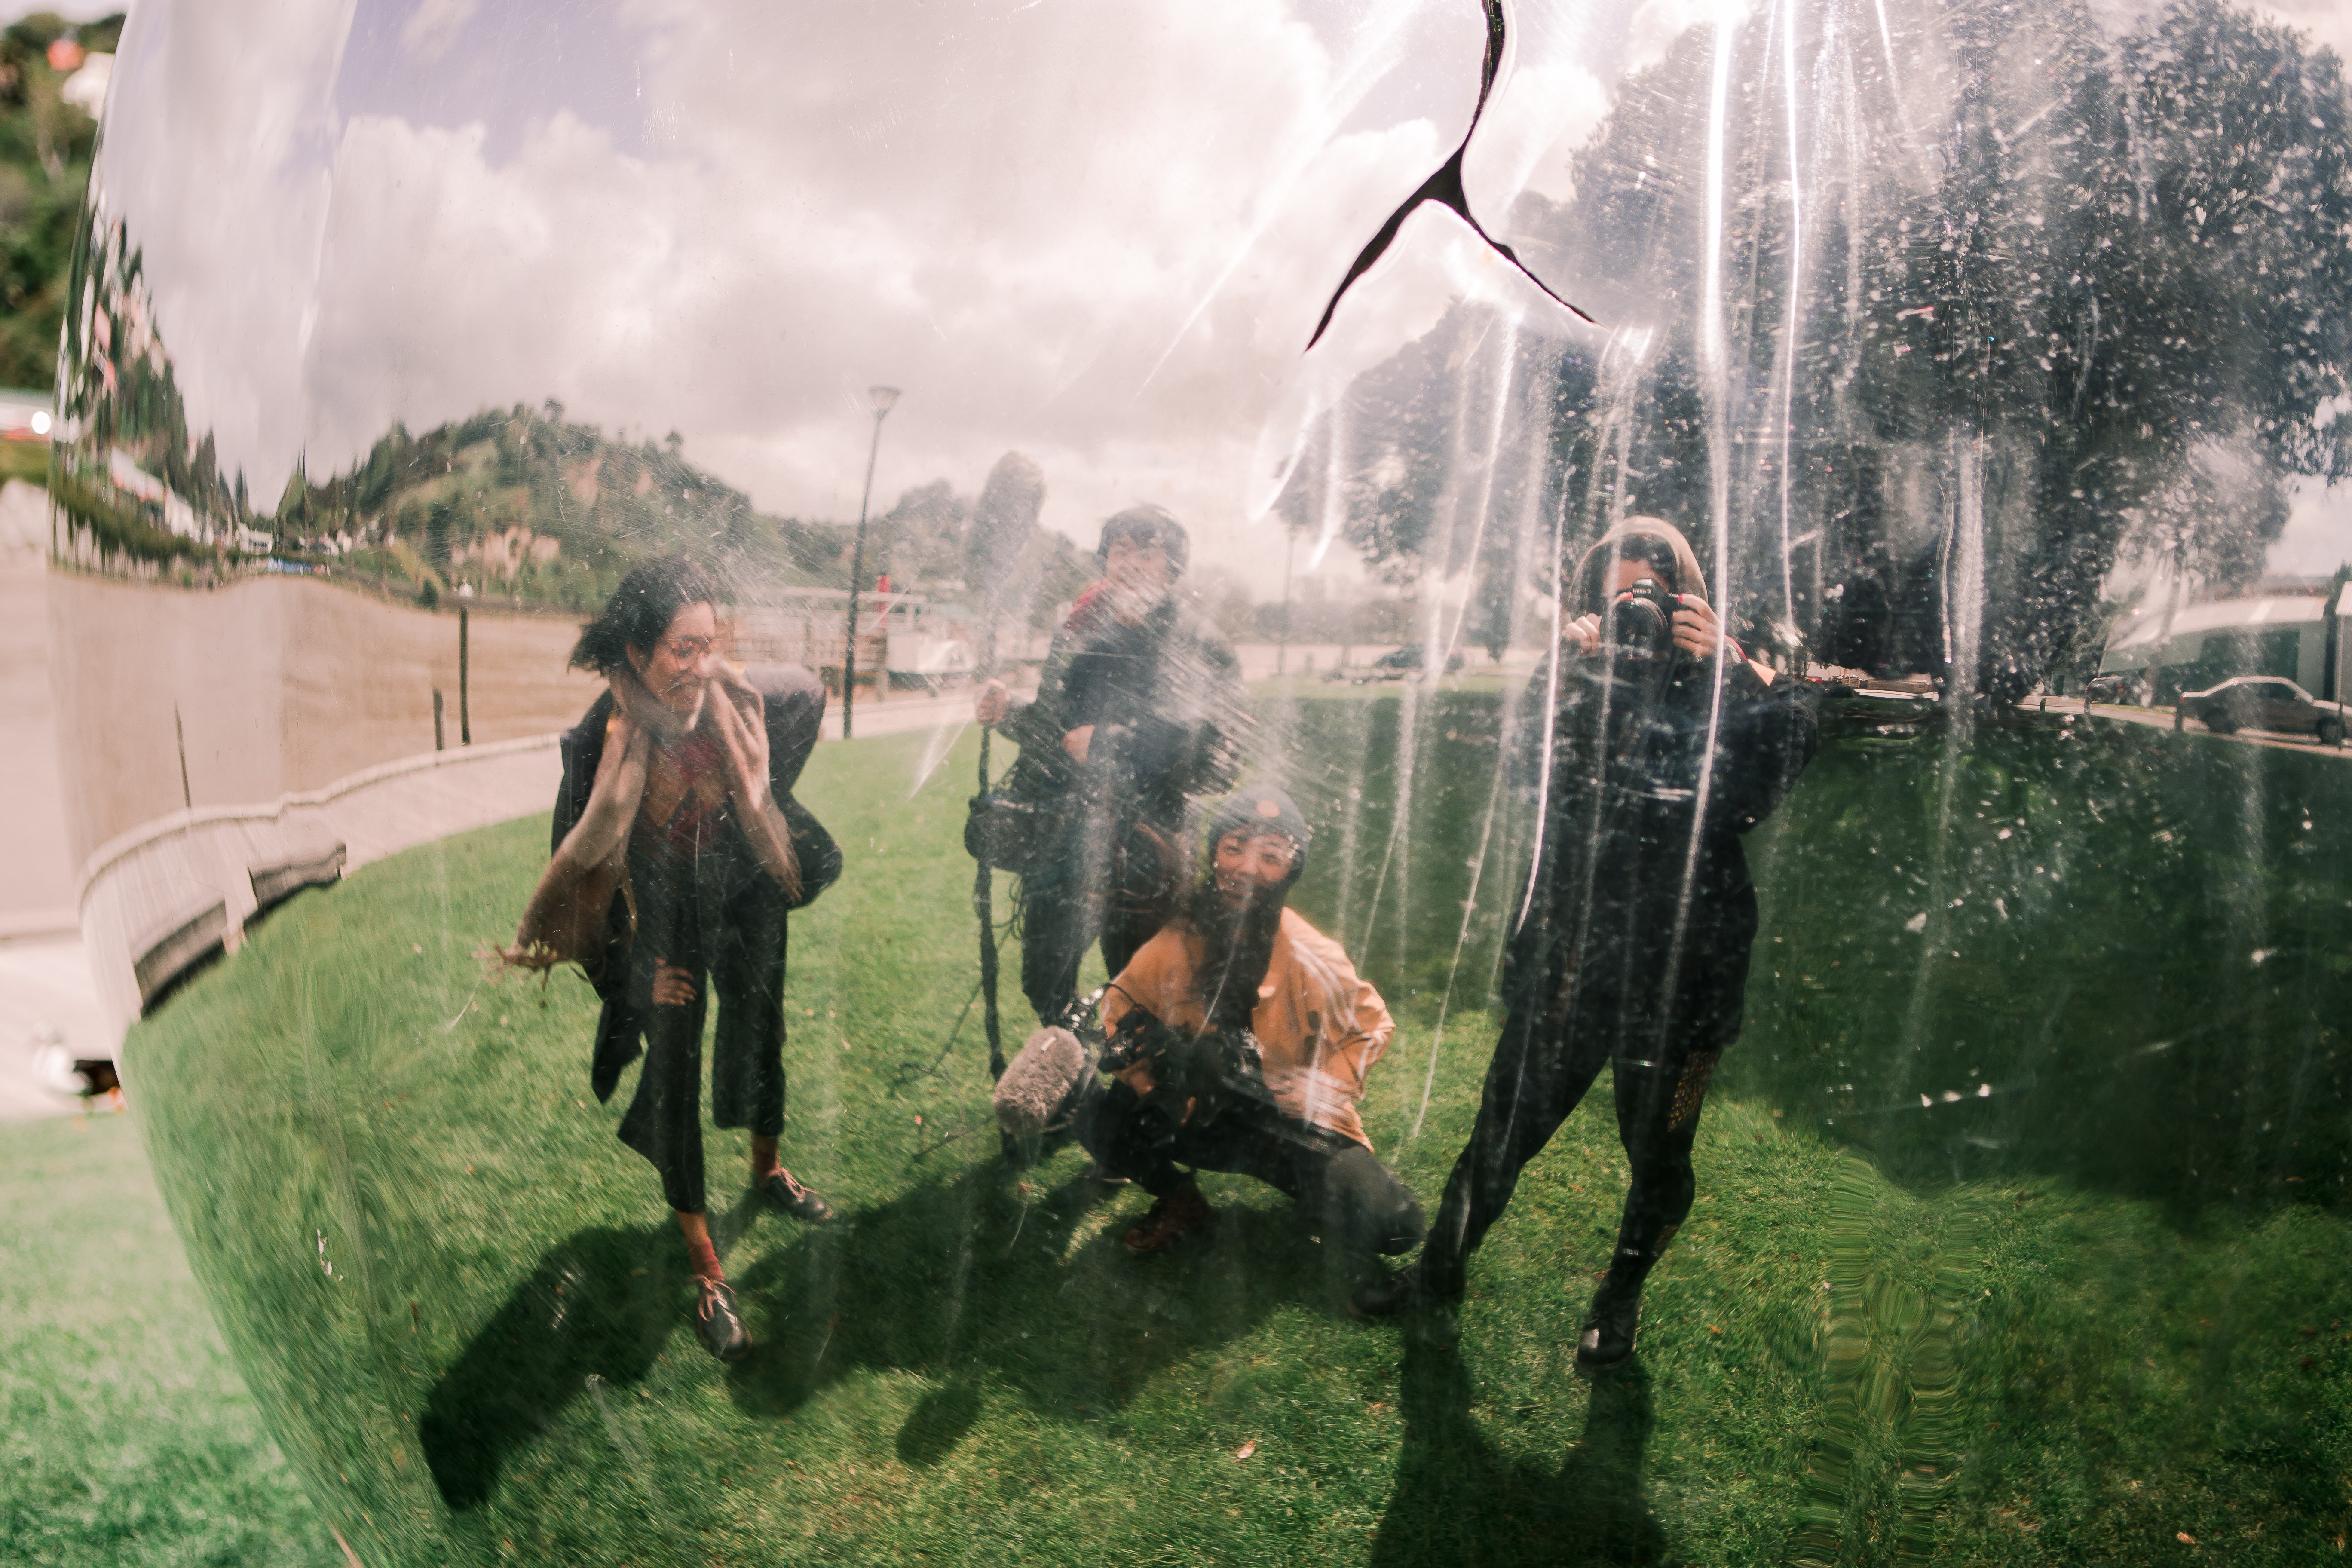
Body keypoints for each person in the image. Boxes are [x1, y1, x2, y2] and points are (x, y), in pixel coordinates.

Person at [1351, 518, 1816, 1370]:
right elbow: (1530, 776)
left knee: (1660, 1151)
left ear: (1690, 601)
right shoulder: (1585, 679)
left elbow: (1768, 783)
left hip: (1687, 970)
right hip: (1576, 958)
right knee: (1501, 1131)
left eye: (1654, 594)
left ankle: (1622, 1299)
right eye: (1617, 601)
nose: (1636, 614)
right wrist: (1558, 671)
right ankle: (1437, 1277)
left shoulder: (1723, 678)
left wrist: (1736, 673)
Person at [504, 556, 842, 1363]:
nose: (696, 669)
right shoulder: (599, 743)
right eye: (679, 650)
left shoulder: (741, 702)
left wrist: (736, 706)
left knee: (763, 1029)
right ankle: (707, 1271)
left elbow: (808, 689)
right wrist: (630, 974)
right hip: (664, 923)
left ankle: (768, 1169)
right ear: (635, 650)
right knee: (674, 1075)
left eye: (709, 646)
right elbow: (577, 878)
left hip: (743, 889)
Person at [1074, 784, 1424, 1261]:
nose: (1246, 868)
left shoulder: (1312, 956)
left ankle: (1320, 1196)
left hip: (1285, 1124)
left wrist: (1324, 1088)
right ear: (1215, 854)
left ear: (1291, 870)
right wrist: (1152, 1090)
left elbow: (1374, 1027)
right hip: (1202, 1115)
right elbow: (1119, 1008)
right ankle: (1181, 1202)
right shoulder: (1179, 938)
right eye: (1233, 848)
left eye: (1271, 856)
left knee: (1397, 1225)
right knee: (1100, 1116)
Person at [973, 505, 1248, 1027]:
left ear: (1173, 567)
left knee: (1145, 989)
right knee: (1045, 981)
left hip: (1150, 854)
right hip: (1063, 843)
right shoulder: (1083, 634)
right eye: (1120, 551)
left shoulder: (1200, 643)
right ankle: (1076, 1086)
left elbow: (1219, 759)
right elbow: (1059, 734)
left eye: (1148, 553)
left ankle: (1140, 1099)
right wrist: (1010, 714)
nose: (1131, 565)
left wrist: (1114, 742)